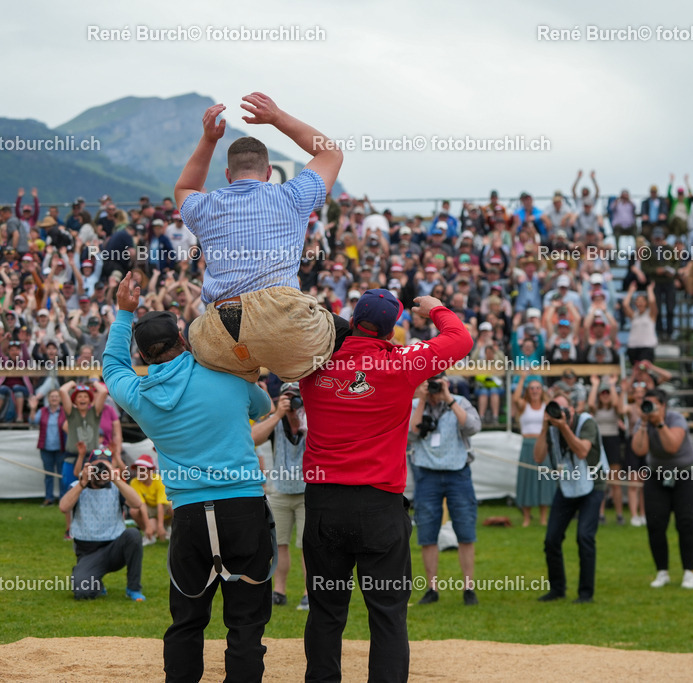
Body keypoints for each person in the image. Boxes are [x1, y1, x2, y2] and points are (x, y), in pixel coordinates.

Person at [102, 272, 274, 683]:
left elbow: (111, 366)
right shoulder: (226, 373)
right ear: (184, 340)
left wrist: (124, 313)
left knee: (186, 621)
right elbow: (264, 406)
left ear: (143, 357)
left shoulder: (140, 396)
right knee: (246, 625)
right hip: (243, 507)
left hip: (190, 515)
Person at [298, 291, 472, 682]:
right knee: (388, 615)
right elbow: (461, 339)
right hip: (379, 505)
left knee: (325, 613)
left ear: (354, 319)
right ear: (392, 330)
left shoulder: (314, 363)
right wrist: (435, 310)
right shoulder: (400, 363)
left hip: (325, 504)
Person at [174, 93, 345, 383]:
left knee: (233, 384)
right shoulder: (292, 196)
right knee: (345, 337)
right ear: (268, 173)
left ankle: (252, 408)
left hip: (219, 331)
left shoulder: (204, 207)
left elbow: (186, 186)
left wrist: (209, 139)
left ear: (228, 175)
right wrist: (277, 118)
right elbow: (330, 153)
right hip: (284, 323)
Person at [409, 371, 483, 606]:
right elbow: (411, 433)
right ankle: (432, 588)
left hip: (458, 473)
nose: (432, 389)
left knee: (465, 531)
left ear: (446, 383)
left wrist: (448, 397)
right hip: (426, 474)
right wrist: (421, 399)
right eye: (428, 383)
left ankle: (468, 588)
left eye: (436, 383)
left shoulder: (460, 403)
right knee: (427, 534)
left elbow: (472, 427)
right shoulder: (414, 404)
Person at [534, 393, 608, 603]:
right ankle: (557, 589)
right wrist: (544, 427)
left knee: (584, 536)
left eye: (562, 408)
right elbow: (538, 457)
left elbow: (582, 451)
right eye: (554, 409)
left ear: (572, 410)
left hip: (593, 483)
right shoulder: (550, 428)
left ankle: (586, 594)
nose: (558, 413)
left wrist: (563, 427)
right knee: (551, 539)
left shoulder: (587, 423)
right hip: (567, 485)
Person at [630, 389, 693, 589]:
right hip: (656, 475)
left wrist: (660, 423)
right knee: (655, 524)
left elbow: (672, 447)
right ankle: (662, 572)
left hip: (686, 475)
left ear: (664, 405)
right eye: (647, 404)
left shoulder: (675, 419)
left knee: (686, 523)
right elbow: (639, 450)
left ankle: (689, 572)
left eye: (653, 405)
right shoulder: (641, 422)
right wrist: (644, 423)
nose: (650, 409)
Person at [251, 381, 310, 610]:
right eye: (288, 397)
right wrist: (278, 415)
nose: (293, 402)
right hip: (280, 491)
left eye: (296, 397)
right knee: (279, 544)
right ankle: (279, 590)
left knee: (308, 546)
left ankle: (308, 592)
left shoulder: (310, 418)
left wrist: (301, 414)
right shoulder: (276, 422)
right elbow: (253, 438)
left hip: (307, 492)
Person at [59, 455, 146, 601]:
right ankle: (94, 582)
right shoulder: (77, 486)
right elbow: (63, 507)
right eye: (96, 468)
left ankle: (133, 588)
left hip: (114, 548)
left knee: (133, 534)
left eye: (105, 468)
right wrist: (82, 483)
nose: (101, 473)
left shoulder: (116, 487)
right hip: (88, 553)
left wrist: (115, 478)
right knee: (82, 593)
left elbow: (137, 503)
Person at [58, 379, 108, 539]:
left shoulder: (95, 413)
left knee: (93, 491)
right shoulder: (71, 414)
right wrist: (72, 383)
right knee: (70, 492)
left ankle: (92, 525)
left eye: (85, 396)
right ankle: (69, 529)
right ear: (74, 400)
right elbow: (62, 391)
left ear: (90, 399)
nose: (82, 399)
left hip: (92, 459)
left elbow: (103, 392)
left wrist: (93, 382)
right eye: (79, 396)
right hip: (71, 459)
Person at [512, 373, 556, 527]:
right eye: (532, 388)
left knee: (544, 479)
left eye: (538, 388)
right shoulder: (524, 405)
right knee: (527, 479)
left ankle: (543, 517)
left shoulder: (546, 407)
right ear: (528, 390)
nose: (535, 390)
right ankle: (526, 517)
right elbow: (515, 399)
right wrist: (522, 379)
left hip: (543, 444)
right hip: (527, 444)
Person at [588, 375, 627, 524]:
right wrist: (595, 385)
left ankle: (619, 515)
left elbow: (617, 403)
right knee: (600, 480)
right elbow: (590, 402)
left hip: (613, 442)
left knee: (615, 481)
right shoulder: (595, 409)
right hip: (599, 443)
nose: (605, 395)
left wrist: (611, 385)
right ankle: (600, 514)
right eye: (602, 393)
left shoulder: (615, 409)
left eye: (607, 393)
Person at [29, 389, 66, 506]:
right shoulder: (43, 411)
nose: (54, 398)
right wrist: (33, 409)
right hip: (46, 448)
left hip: (61, 448)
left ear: (60, 399)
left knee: (62, 475)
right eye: (52, 396)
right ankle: (49, 498)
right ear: (48, 399)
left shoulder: (65, 411)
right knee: (48, 475)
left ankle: (63, 498)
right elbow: (33, 421)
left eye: (56, 396)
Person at [128, 454, 172, 546]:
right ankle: (149, 535)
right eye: (137, 470)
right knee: (133, 510)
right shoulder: (134, 482)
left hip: (163, 509)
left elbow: (161, 504)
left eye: (143, 470)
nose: (139, 473)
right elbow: (141, 505)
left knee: (173, 507)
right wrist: (148, 526)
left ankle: (170, 528)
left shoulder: (158, 479)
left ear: (151, 471)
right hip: (149, 510)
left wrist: (160, 526)